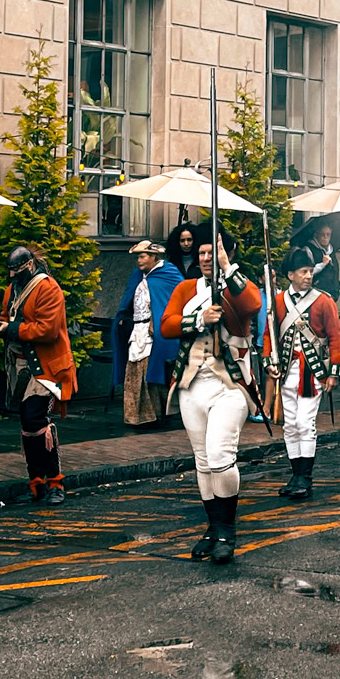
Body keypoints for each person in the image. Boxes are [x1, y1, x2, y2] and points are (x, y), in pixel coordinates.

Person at [162, 225, 263, 559]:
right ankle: (213, 527)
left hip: (229, 385)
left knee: (220, 457)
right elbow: (166, 325)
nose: (206, 258)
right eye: (203, 253)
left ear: (226, 253)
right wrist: (198, 319)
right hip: (191, 384)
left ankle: (227, 531)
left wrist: (226, 265)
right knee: (202, 461)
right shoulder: (186, 288)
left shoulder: (236, 286)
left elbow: (251, 304)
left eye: (213, 252)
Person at [0, 245, 78, 503]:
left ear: (29, 265)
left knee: (36, 418)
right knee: (28, 424)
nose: (12, 275)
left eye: (16, 269)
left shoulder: (48, 289)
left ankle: (56, 483)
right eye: (10, 270)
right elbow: (8, 317)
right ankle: (36, 482)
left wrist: (10, 328)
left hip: (47, 366)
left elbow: (47, 330)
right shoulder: (11, 290)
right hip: (22, 366)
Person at [266, 245, 340, 500]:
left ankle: (305, 478)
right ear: (291, 275)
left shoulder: (323, 300)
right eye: (303, 272)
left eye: (310, 271)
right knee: (289, 426)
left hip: (313, 372)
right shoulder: (277, 301)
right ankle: (295, 474)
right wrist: (270, 363)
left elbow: (335, 338)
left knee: (304, 423)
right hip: (286, 371)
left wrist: (333, 373)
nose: (308, 276)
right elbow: (270, 335)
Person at [115, 240, 181, 428]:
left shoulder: (168, 274)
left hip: (154, 333)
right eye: (137, 256)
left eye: (142, 256)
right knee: (134, 370)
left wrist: (158, 321)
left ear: (154, 257)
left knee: (150, 371)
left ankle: (156, 415)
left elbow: (176, 299)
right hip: (137, 329)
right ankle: (137, 416)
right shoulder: (139, 275)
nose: (139, 260)